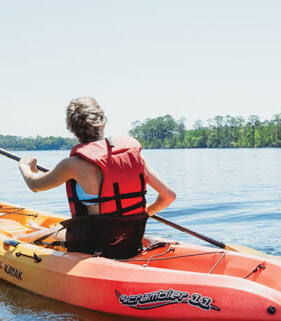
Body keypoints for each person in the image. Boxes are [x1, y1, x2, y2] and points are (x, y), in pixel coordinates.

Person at [17, 96, 176, 258]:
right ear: (103, 122)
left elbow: (35, 184)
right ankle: (47, 232)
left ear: (71, 128)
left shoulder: (71, 165)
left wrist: (25, 166)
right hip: (130, 239)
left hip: (93, 245)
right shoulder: (134, 157)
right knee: (53, 231)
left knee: (30, 238)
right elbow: (169, 196)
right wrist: (145, 213)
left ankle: (20, 240)